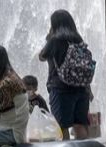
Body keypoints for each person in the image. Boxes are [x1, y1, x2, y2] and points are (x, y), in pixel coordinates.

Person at [38, 10, 90, 139]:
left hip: (61, 89)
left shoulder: (55, 40)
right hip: (81, 89)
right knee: (80, 125)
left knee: (62, 126)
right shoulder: (78, 39)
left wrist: (49, 38)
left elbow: (41, 57)